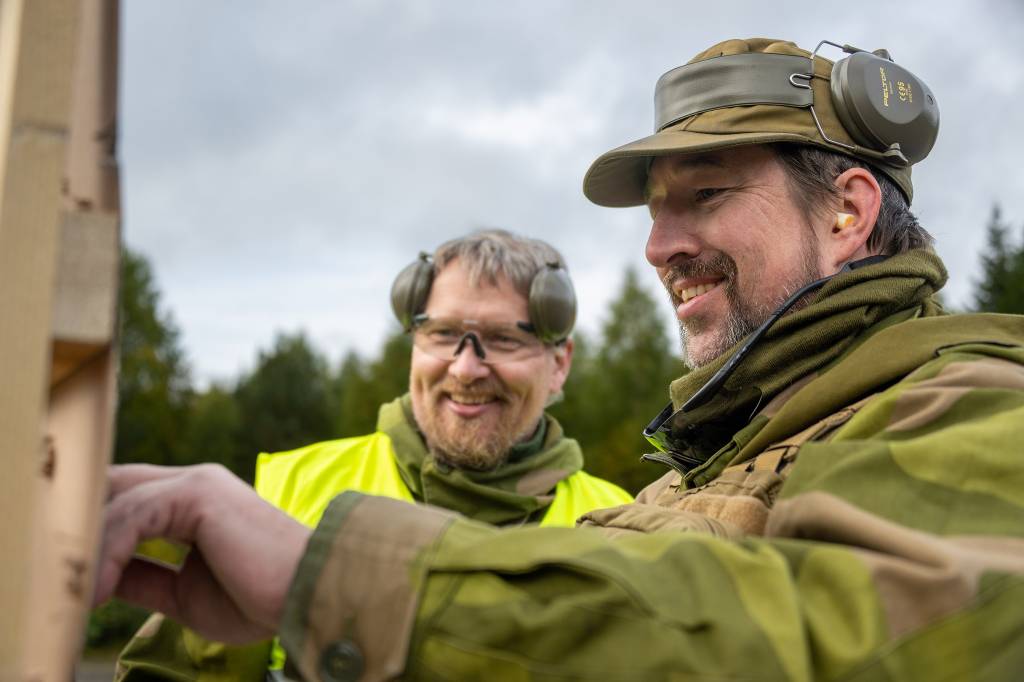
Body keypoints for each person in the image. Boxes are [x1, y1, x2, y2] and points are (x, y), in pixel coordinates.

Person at [98, 38, 1024, 680]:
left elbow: (844, 641)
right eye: (655, 212)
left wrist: (331, 581)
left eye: (703, 195)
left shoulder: (976, 408)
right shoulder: (698, 474)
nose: (658, 247)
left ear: (848, 211)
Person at [113, 229, 632, 680]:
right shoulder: (286, 491)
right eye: (443, 334)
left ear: (559, 363)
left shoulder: (619, 530)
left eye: (502, 339)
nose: (465, 369)